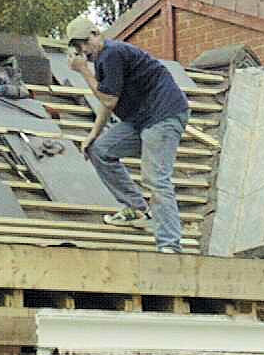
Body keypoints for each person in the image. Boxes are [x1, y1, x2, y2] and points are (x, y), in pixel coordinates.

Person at [65, 15, 190, 253]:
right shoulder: (102, 59)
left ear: (95, 34)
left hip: (163, 116)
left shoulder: (112, 53)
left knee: (156, 178)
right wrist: (93, 135)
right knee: (100, 150)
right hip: (141, 120)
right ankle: (135, 208)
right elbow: (107, 99)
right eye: (78, 48)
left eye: (84, 44)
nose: (83, 50)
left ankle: (169, 244)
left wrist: (83, 71)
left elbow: (108, 100)